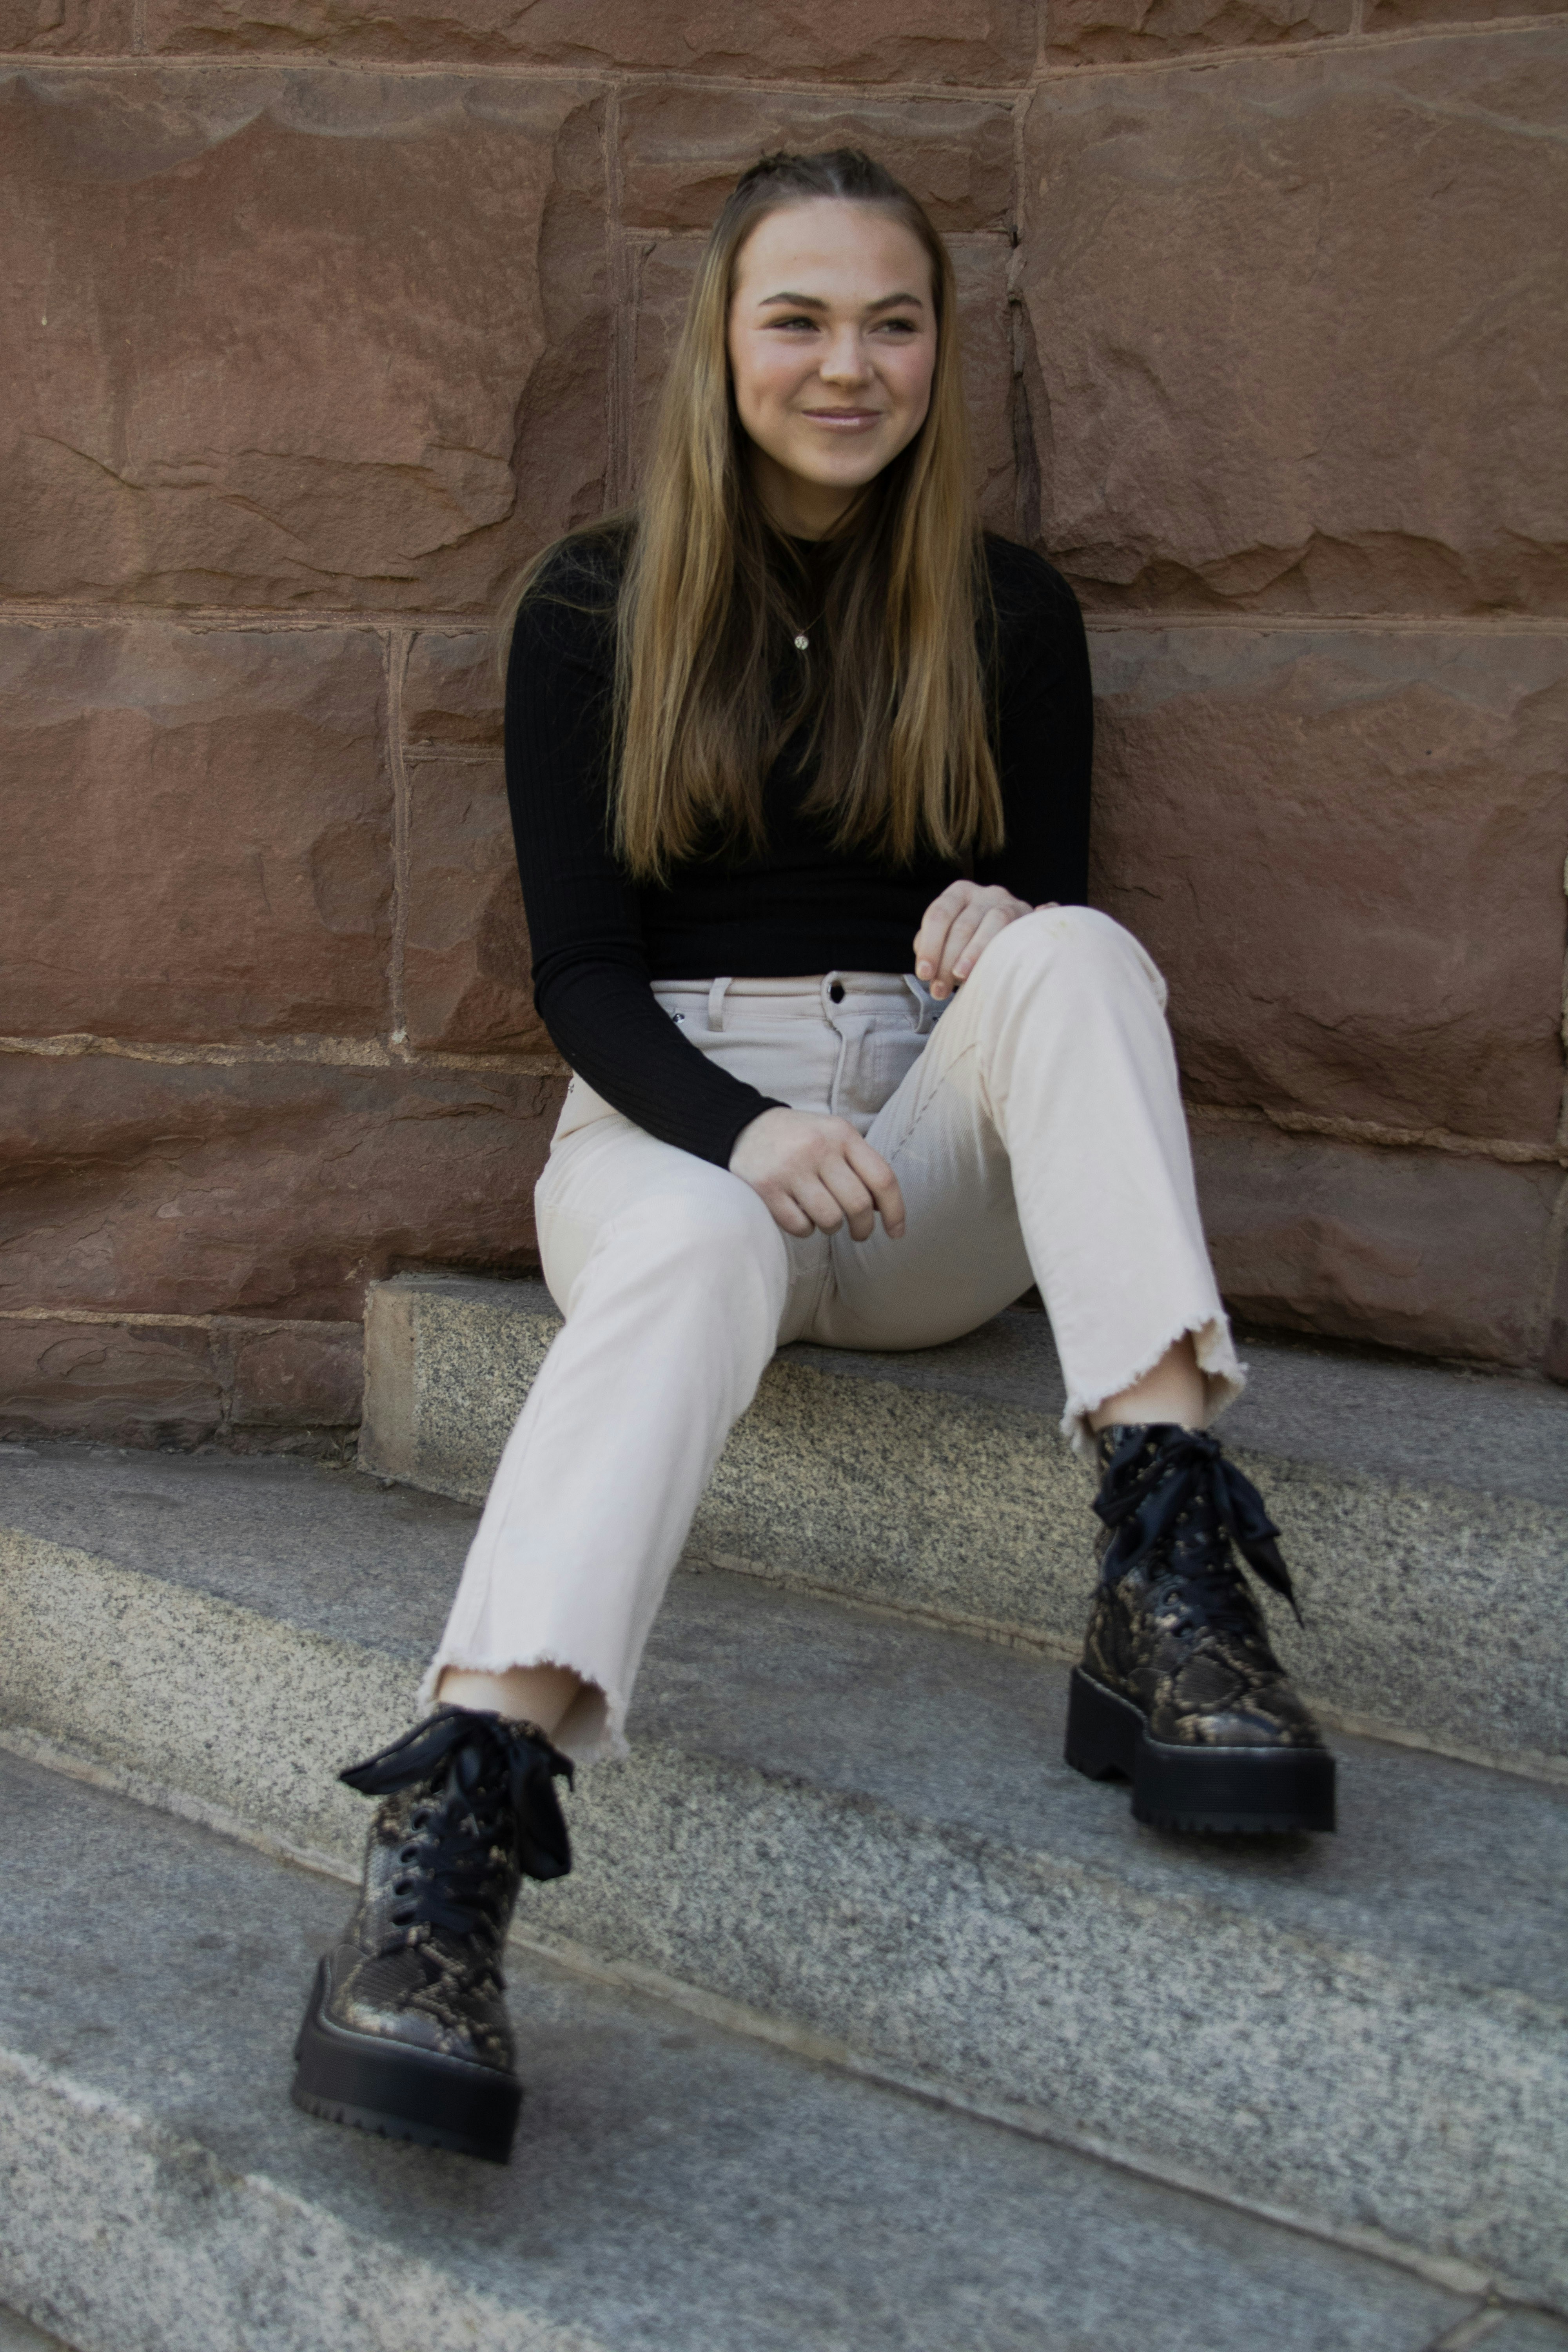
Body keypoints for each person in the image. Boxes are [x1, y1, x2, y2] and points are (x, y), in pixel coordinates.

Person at [291, 148, 1335, 2167]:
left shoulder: (1010, 610)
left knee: (1087, 952)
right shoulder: (595, 606)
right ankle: (449, 1855)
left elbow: (1056, 946)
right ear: (724, 341)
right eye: (799, 318)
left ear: (938, 348)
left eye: (891, 322)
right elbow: (581, 978)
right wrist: (749, 1128)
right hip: (679, 1135)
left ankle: (1170, 1580)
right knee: (687, 1250)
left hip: (930, 1170)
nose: (846, 365)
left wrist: (1001, 930)